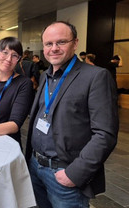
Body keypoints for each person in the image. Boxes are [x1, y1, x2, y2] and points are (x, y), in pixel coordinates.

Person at [26, 21, 118, 208]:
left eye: (61, 42)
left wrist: (74, 173)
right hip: (36, 167)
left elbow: (105, 134)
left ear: (75, 43)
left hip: (64, 174)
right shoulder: (45, 76)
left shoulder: (95, 77)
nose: (54, 48)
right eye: (48, 44)